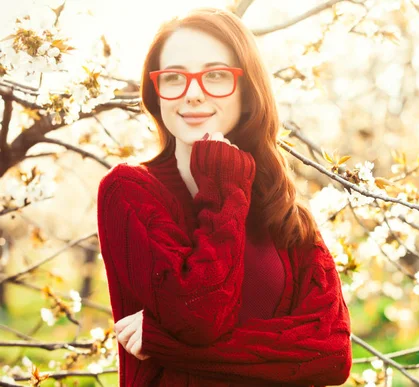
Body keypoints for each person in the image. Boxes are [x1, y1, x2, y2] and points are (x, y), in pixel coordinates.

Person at [96, 7, 352, 387]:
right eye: (173, 77)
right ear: (157, 93)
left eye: (216, 76)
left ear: (248, 92)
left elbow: (331, 354)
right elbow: (199, 318)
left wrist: (166, 344)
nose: (193, 93)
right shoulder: (129, 192)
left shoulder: (285, 212)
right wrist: (222, 189)